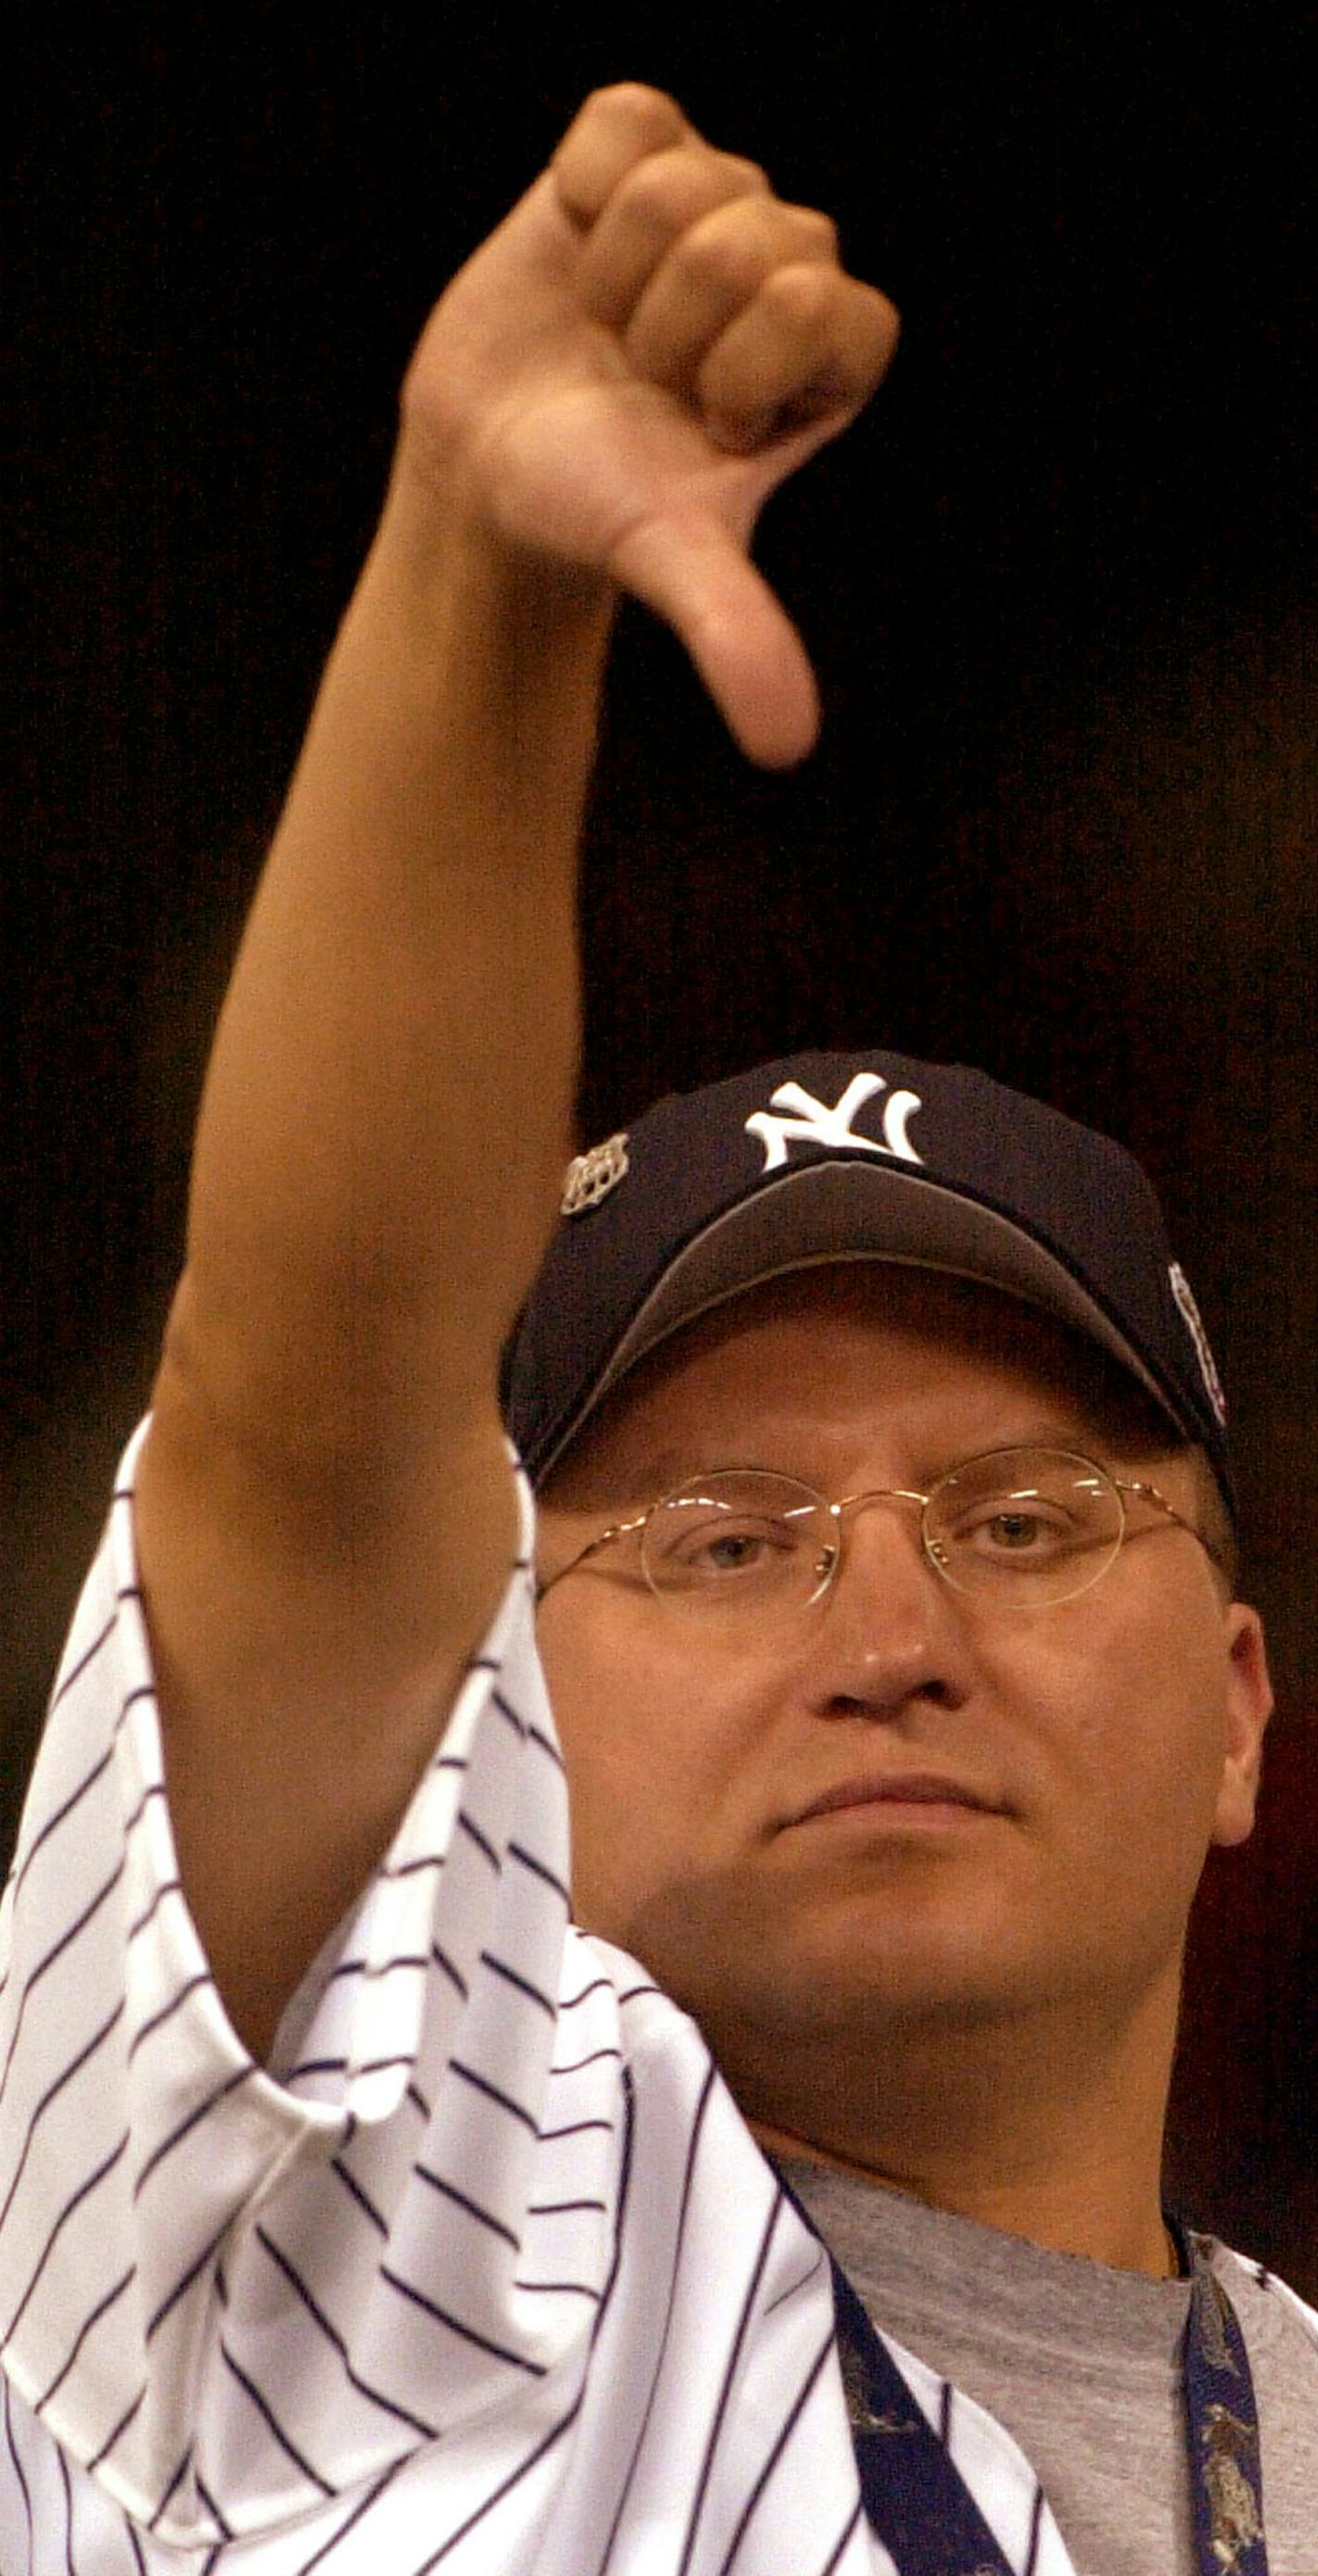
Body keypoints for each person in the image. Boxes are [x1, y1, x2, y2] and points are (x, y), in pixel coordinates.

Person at [0, 80, 1312, 2576]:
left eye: (1028, 1521)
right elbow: (305, 1404)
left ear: (1242, 1712)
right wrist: (478, 580)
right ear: (492, 1729)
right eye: (723, 1544)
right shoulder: (336, 2274)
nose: (896, 1630)